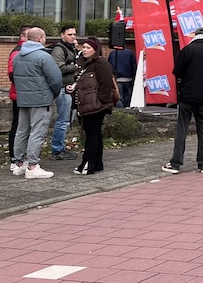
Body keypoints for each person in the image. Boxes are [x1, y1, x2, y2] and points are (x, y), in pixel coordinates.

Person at [161, 27, 203, 174]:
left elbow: (177, 72)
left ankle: (176, 163)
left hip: (187, 95)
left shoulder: (187, 50)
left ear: (195, 36)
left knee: (182, 128)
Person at [11, 28, 63, 179]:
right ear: (40, 38)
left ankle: (19, 164)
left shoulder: (18, 56)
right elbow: (56, 79)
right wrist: (54, 93)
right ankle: (32, 166)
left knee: (22, 131)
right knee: (37, 132)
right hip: (40, 99)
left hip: (23, 99)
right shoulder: (43, 56)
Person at [73, 38, 117, 175]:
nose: (84, 50)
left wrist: (101, 101)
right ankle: (97, 163)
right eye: (83, 47)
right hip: (86, 105)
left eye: (88, 48)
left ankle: (88, 163)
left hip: (96, 106)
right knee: (94, 134)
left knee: (92, 135)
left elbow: (106, 85)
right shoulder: (85, 64)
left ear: (95, 49)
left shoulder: (101, 63)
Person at [48, 25, 80, 161]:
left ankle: (59, 147)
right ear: (62, 35)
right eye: (69, 34)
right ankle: (57, 149)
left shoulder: (69, 48)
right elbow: (59, 68)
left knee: (66, 119)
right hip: (63, 88)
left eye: (74, 34)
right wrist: (76, 66)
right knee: (63, 120)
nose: (72, 37)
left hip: (68, 87)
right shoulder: (59, 49)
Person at [6, 25, 31, 171]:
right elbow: (13, 75)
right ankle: (15, 158)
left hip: (24, 94)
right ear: (22, 37)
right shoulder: (17, 53)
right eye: (29, 35)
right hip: (20, 95)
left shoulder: (26, 51)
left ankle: (21, 157)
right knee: (18, 127)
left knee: (24, 127)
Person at [107, 44, 137, 108]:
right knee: (127, 95)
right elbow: (134, 65)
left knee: (118, 96)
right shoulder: (130, 53)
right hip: (128, 78)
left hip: (117, 79)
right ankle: (126, 108)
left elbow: (109, 66)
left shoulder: (113, 53)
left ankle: (121, 111)